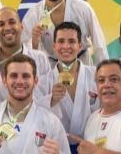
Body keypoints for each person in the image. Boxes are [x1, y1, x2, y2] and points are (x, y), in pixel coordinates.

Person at [0, 54, 71, 154]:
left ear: (35, 81)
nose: (20, 81)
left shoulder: (51, 123)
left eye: (26, 76)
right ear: (4, 80)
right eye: (14, 76)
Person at [0, 7, 51, 116]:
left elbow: (50, 97)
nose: (7, 28)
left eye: (12, 22)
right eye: (1, 24)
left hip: (33, 126)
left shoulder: (40, 59)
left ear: (21, 26)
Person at [22, 0, 108, 67]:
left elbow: (99, 45)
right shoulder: (33, 14)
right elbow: (24, 50)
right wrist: (34, 41)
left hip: (81, 64)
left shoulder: (83, 8)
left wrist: (104, 72)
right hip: (50, 67)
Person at [38, 22, 99, 153]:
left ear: (80, 46)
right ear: (54, 46)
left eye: (71, 41)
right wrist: (51, 100)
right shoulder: (43, 82)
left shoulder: (97, 75)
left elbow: (115, 100)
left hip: (91, 146)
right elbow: (34, 114)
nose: (66, 46)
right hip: (57, 148)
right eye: (61, 41)